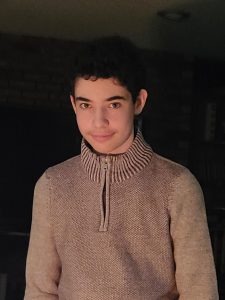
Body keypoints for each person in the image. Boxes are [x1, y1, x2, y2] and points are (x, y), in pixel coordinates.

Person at [24, 36, 218, 299]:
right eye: (86, 105)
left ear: (138, 102)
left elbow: (200, 292)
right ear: (73, 105)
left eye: (113, 104)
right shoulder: (51, 185)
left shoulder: (178, 185)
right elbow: (39, 291)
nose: (98, 121)